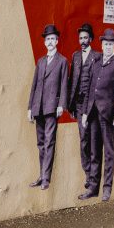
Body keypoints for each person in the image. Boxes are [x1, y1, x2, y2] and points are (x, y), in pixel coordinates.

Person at [80, 27, 114, 201]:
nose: (108, 46)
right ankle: (93, 188)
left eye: (111, 44)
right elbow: (89, 90)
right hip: (92, 114)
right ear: (101, 44)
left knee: (108, 152)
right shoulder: (96, 62)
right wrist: (85, 113)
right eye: (105, 43)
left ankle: (106, 189)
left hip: (108, 115)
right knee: (94, 153)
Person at [27, 24, 68, 191]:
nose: (50, 42)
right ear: (45, 43)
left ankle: (46, 178)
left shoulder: (62, 61)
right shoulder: (41, 61)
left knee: (49, 142)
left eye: (52, 39)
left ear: (57, 41)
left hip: (52, 107)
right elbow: (34, 85)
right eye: (47, 39)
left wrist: (61, 105)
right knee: (40, 143)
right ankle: (41, 175)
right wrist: (30, 107)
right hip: (38, 107)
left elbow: (64, 84)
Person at [68, 23, 101, 190]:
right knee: (83, 141)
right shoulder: (74, 56)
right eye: (80, 38)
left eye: (85, 38)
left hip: (93, 107)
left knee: (94, 141)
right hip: (79, 106)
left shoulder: (98, 57)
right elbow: (72, 80)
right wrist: (70, 105)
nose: (82, 41)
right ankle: (88, 173)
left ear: (91, 39)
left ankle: (94, 177)